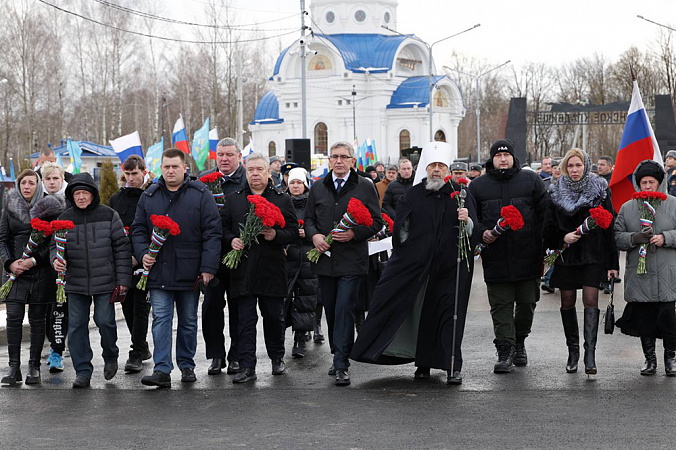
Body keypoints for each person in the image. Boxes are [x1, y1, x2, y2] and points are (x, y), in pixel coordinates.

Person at [351, 141, 478, 385]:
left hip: (450, 268)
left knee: (448, 316)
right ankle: (422, 364)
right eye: (433, 166)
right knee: (419, 316)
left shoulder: (460, 193)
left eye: (441, 166)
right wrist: (410, 246)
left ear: (447, 168)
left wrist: (467, 220)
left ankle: (452, 365)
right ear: (426, 169)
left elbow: (473, 230)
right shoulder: (414, 194)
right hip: (418, 267)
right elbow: (401, 228)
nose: (437, 170)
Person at [132, 148, 221, 388]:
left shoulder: (200, 194)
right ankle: (162, 369)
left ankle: (187, 365)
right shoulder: (149, 196)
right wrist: (142, 254)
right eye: (166, 167)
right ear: (161, 168)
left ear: (184, 168)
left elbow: (212, 233)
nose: (170, 171)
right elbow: (138, 229)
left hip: (189, 272)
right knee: (161, 318)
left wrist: (208, 267)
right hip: (158, 270)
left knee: (188, 320)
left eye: (175, 166)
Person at [305, 141, 382, 386]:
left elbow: (377, 222)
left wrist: (354, 234)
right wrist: (314, 235)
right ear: (329, 160)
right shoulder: (318, 187)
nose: (338, 161)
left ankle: (342, 363)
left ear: (352, 161)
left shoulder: (365, 186)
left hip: (352, 261)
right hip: (326, 263)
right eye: (334, 157)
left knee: (345, 309)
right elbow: (308, 219)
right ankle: (338, 353)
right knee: (331, 310)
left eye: (343, 157)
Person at [468, 139, 548, 374]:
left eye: (507, 155)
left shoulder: (531, 180)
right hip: (496, 258)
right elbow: (473, 219)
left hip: (528, 256)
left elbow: (545, 214)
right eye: (498, 155)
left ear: (513, 158)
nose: (503, 159)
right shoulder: (478, 186)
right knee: (500, 307)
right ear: (491, 159)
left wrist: (546, 247)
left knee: (527, 304)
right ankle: (505, 351)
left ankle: (519, 342)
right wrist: (483, 234)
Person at [221, 152, 297, 383]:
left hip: (271, 268)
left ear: (268, 172)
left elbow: (293, 231)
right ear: (246, 172)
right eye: (251, 170)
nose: (255, 174)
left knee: (274, 317)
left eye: (259, 170)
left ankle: (276, 357)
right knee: (245, 319)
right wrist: (231, 240)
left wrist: (276, 235)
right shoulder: (234, 199)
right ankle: (247, 366)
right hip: (243, 270)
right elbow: (222, 228)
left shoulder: (281, 199)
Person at [51, 173, 131, 388]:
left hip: (105, 280)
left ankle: (110, 355)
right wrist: (56, 260)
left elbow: (122, 248)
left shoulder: (109, 215)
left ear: (92, 194)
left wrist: (123, 279)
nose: (81, 197)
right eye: (77, 193)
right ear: (72, 196)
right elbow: (54, 247)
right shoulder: (64, 219)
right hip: (75, 282)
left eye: (85, 193)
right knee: (77, 326)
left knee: (105, 320)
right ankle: (83, 371)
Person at [543, 149, 618, 375]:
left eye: (579, 166)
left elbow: (609, 227)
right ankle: (573, 351)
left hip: (592, 255)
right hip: (567, 255)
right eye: (571, 166)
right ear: (565, 167)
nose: (575, 170)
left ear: (586, 166)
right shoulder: (556, 191)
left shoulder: (600, 190)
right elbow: (547, 228)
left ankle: (590, 354)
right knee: (566, 301)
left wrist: (612, 264)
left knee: (590, 299)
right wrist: (561, 238)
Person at [0, 170, 65, 385]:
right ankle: (13, 368)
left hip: (40, 272)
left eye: (32, 182)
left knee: (38, 321)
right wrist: (10, 263)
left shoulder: (51, 206)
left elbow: (54, 243)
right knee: (13, 319)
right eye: (23, 183)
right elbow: (2, 239)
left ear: (38, 185)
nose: (27, 186)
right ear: (18, 185)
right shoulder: (9, 206)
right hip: (15, 273)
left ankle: (34, 366)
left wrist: (33, 260)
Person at [615, 160, 676, 377]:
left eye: (652, 182)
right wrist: (634, 238)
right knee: (645, 321)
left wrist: (665, 237)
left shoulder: (673, 204)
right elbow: (617, 237)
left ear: (659, 183)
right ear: (638, 184)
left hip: (667, 274)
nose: (648, 186)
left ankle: (671, 358)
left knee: (669, 319)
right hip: (640, 274)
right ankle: (650, 360)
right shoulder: (627, 207)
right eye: (643, 182)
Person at [198, 138, 247, 376]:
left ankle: (236, 355)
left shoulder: (249, 180)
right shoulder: (203, 182)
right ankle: (216, 355)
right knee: (211, 308)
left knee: (239, 309)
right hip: (212, 257)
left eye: (229, 154)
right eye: (220, 155)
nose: (224, 159)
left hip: (239, 255)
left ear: (239, 156)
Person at [108, 155, 153, 373]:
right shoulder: (117, 199)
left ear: (144, 172)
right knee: (127, 306)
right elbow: (112, 230)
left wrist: (139, 254)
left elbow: (153, 229)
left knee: (141, 307)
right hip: (122, 261)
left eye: (135, 173)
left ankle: (135, 352)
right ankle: (142, 346)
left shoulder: (152, 195)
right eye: (128, 174)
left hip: (145, 259)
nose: (131, 178)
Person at [285, 167, 322, 355]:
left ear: (305, 185)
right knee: (285, 300)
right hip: (287, 258)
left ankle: (299, 339)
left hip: (308, 257)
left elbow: (318, 227)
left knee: (304, 300)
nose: (295, 186)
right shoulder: (283, 202)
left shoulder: (311, 204)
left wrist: (307, 233)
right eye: (292, 183)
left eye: (299, 182)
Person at [39, 163, 69, 373]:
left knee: (59, 312)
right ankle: (51, 348)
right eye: (48, 179)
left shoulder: (70, 203)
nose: (52, 182)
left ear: (62, 179)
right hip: (40, 266)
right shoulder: (37, 204)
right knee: (45, 312)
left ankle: (57, 352)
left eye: (55, 179)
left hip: (64, 266)